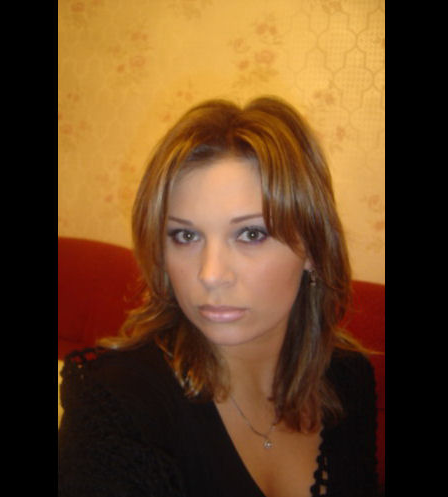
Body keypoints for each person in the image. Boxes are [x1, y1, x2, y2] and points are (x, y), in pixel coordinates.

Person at [58, 96, 379, 497]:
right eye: (185, 235)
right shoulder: (117, 406)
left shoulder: (348, 379)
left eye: (251, 234)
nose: (210, 275)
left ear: (312, 249)